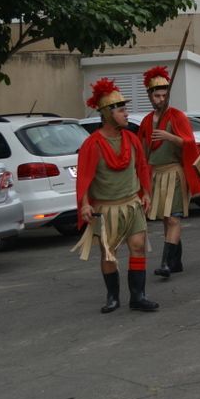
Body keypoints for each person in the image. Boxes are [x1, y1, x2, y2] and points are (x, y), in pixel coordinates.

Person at [73, 79, 157, 313]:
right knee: (109, 253)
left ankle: (138, 296)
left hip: (132, 204)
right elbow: (84, 179)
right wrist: (86, 204)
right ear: (107, 114)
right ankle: (112, 297)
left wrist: (147, 193)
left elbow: (142, 167)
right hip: (106, 208)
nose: (126, 114)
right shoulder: (92, 144)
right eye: (121, 110)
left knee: (138, 246)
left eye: (125, 109)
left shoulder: (131, 138)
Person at [138, 66, 200, 280]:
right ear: (150, 96)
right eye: (156, 95)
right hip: (156, 174)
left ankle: (166, 263)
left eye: (163, 95)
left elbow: (190, 143)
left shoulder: (177, 116)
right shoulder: (147, 121)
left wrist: (170, 137)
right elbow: (142, 151)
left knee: (174, 218)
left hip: (174, 172)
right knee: (166, 220)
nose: (160, 99)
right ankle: (176, 261)